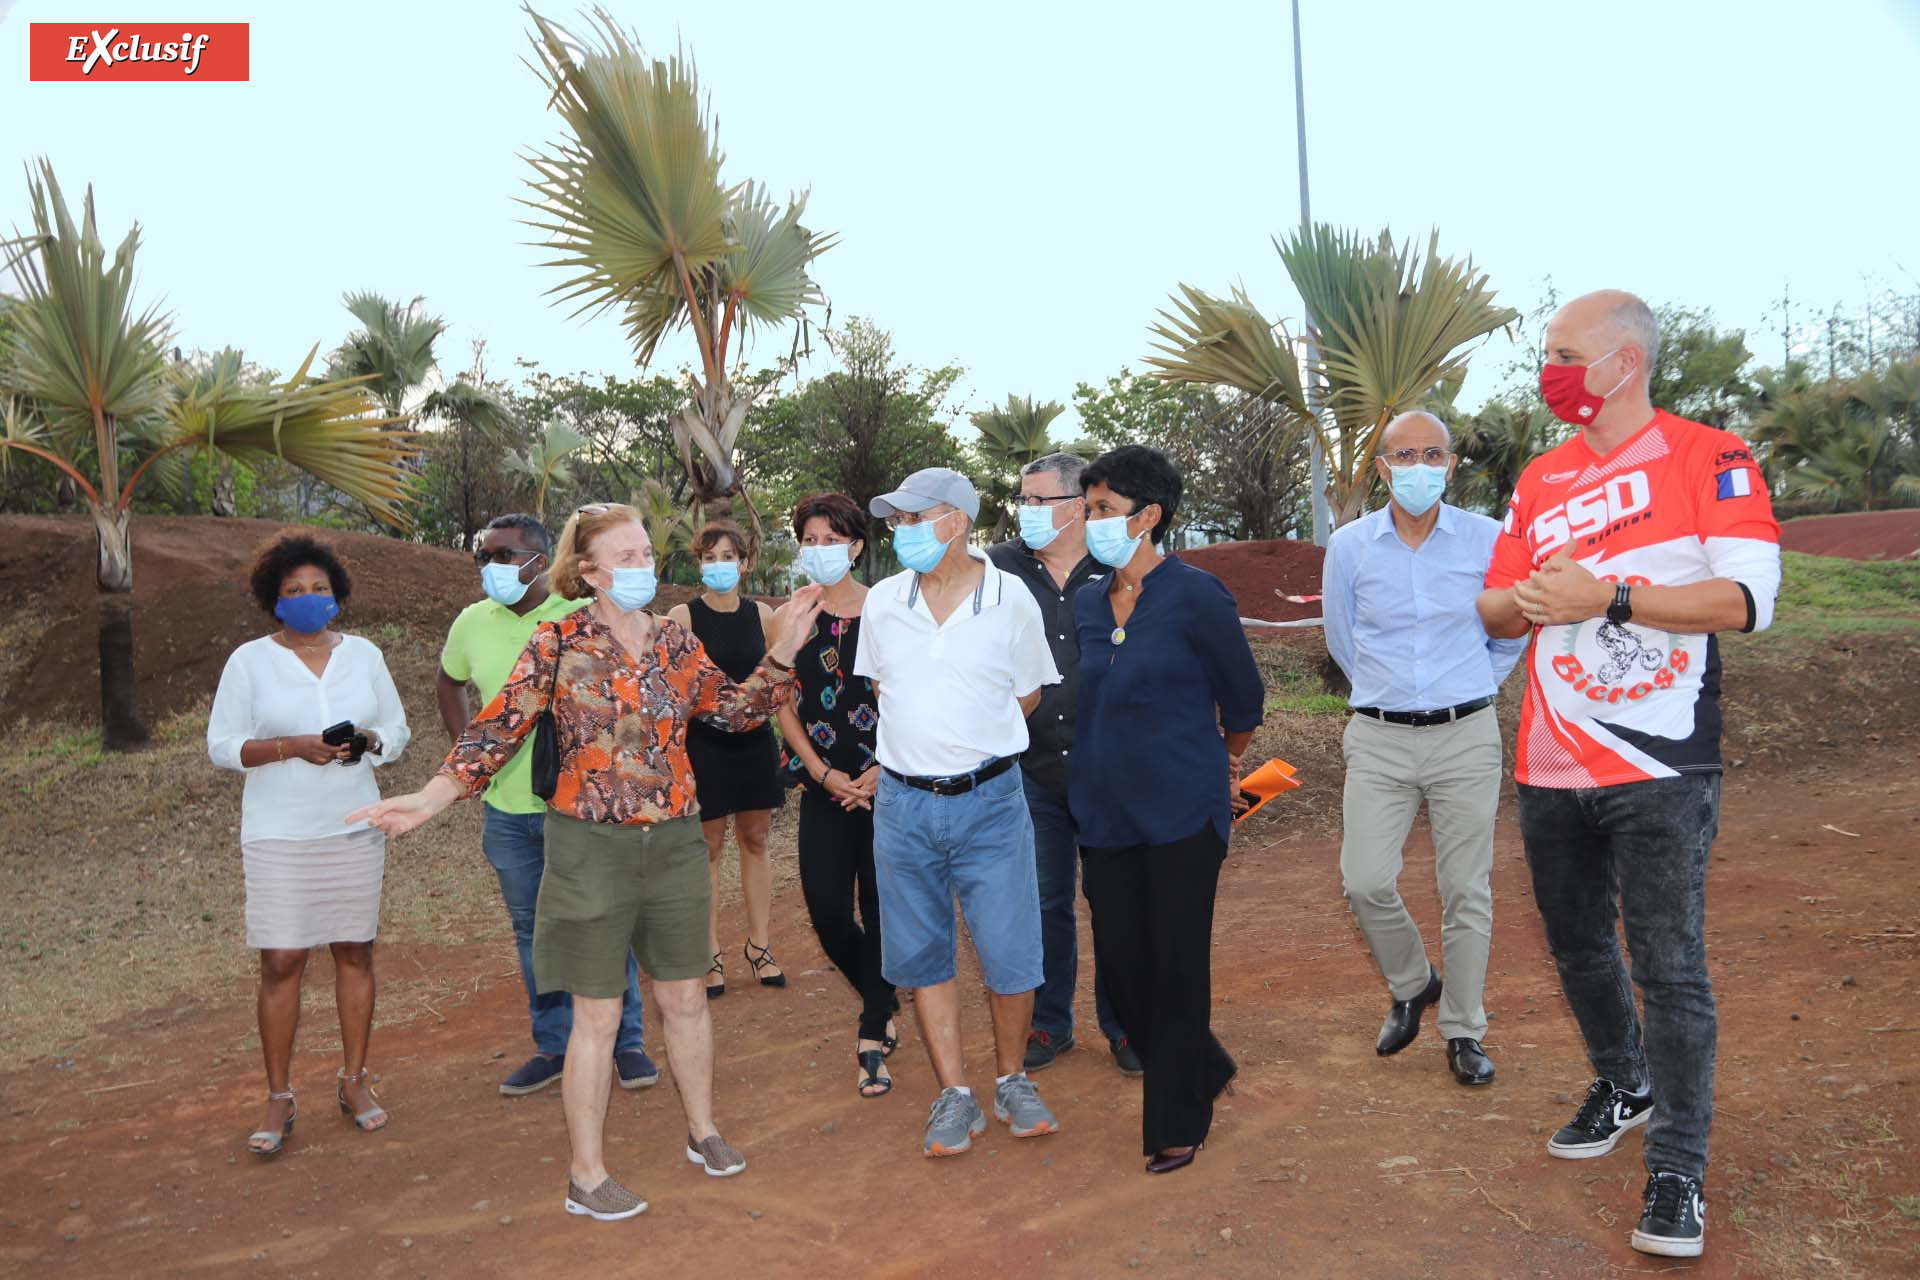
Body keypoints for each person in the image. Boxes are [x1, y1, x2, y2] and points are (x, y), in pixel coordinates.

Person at [351, 503, 823, 1223]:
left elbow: (732, 713)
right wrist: (431, 797)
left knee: (686, 998)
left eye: (646, 554)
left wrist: (782, 649)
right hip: (588, 847)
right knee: (598, 1016)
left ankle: (703, 1131)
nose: (644, 567)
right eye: (627, 557)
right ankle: (587, 1174)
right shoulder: (558, 640)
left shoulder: (673, 642)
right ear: (591, 571)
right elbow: (498, 726)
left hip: (673, 843)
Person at [1478, 290, 1781, 1259]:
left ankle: (1679, 1169)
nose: (1550, 369)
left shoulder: (1711, 456)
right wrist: (1522, 598)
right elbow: (1492, 608)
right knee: (1575, 946)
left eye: (1565, 352)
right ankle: (1625, 1078)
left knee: (1670, 962)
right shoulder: (1541, 476)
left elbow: (1744, 598)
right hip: (1550, 757)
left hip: (1663, 760)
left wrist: (1606, 593)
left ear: (1624, 361)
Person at [854, 467, 1063, 1157]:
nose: (904, 532)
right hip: (904, 807)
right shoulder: (884, 602)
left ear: (957, 521)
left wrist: (973, 739)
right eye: (899, 521)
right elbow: (887, 686)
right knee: (920, 955)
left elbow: (1028, 695)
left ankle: (1010, 1080)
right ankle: (955, 1094)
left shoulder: (1013, 600)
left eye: (917, 518)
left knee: (1011, 952)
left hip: (992, 802)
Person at [1069, 445, 1265, 1175]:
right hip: (1104, 811)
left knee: (1176, 964)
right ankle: (1202, 1066)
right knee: (1124, 970)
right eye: (1089, 509)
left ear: (1149, 517)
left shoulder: (1197, 595)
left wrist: (1226, 757)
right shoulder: (1089, 601)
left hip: (1183, 811)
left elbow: (1243, 701)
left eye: (1104, 511)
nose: (1092, 522)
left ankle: (1176, 1122)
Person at [1322, 412, 1527, 1088]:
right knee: (1365, 879)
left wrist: (1471, 687)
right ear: (1382, 468)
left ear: (1450, 465)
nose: (1418, 466)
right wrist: (1388, 695)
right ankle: (1414, 981)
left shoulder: (1487, 539)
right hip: (1379, 737)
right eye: (1403, 455)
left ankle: (1464, 1030)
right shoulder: (1350, 547)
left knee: (1466, 888)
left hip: (1465, 735)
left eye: (1431, 453)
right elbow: (1342, 639)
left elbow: (1511, 629)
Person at [207, 532, 411, 1157]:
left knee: (355, 951)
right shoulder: (249, 661)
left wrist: (370, 741)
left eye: (319, 589)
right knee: (281, 961)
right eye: (293, 591)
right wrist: (290, 747)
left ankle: (354, 1081)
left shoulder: (365, 654)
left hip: (353, 823)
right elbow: (222, 746)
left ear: (337, 594)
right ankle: (278, 1093)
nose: (308, 599)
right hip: (279, 831)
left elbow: (398, 730)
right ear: (274, 600)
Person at [437, 513, 655, 1097]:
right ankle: (555, 1045)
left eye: (505, 555)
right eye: (486, 555)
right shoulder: (471, 622)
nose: (493, 567)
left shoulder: (575, 619)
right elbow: (448, 680)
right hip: (508, 813)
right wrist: (469, 757)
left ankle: (626, 1040)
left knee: (604, 920)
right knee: (534, 929)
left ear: (539, 560)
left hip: (577, 809)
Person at [986, 452, 1133, 1076]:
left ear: (1077, 506)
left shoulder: (1121, 565)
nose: (1025, 512)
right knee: (1043, 903)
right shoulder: (995, 570)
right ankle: (1050, 1025)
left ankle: (1127, 1027)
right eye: (1022, 500)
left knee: (1117, 902)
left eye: (1037, 500)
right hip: (1030, 769)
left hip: (1112, 771)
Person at [773, 491, 901, 1098]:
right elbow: (782, 707)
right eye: (810, 540)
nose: (820, 551)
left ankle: (873, 1030)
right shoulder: (790, 616)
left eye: (832, 540)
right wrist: (823, 774)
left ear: (857, 545)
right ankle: (886, 998)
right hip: (823, 785)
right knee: (827, 912)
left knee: (880, 912)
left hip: (888, 784)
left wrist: (880, 770)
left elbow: (910, 697)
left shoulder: (891, 609)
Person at [668, 520, 787, 998]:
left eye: (727, 556)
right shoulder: (682, 616)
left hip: (755, 743)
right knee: (709, 850)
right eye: (709, 557)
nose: (719, 565)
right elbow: (673, 690)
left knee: (756, 841)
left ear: (745, 562)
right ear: (700, 563)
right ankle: (709, 954)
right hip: (704, 746)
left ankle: (760, 947)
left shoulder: (763, 615)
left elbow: (778, 678)